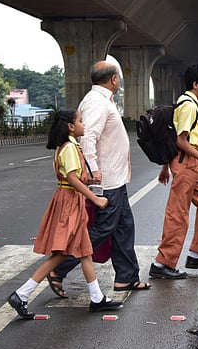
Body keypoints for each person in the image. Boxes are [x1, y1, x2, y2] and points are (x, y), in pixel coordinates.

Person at [47, 61, 151, 295]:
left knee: (124, 226)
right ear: (113, 79)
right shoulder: (96, 102)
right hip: (106, 181)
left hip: (116, 178)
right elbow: (88, 137)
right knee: (103, 228)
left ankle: (126, 277)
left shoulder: (103, 100)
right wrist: (93, 171)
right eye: (118, 78)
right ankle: (58, 268)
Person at [8, 109, 121, 318]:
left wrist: (90, 180)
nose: (83, 124)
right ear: (70, 126)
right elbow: (72, 179)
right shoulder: (69, 148)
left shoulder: (70, 146)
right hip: (69, 202)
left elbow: (74, 177)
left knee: (84, 251)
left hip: (71, 200)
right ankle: (22, 294)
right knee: (62, 253)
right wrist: (95, 198)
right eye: (80, 121)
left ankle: (96, 297)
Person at [150, 64, 198, 279]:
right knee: (178, 215)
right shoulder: (189, 106)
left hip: (189, 164)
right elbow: (180, 141)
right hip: (187, 164)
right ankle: (162, 264)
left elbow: (172, 137)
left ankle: (196, 254)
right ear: (195, 84)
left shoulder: (188, 103)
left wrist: (165, 167)